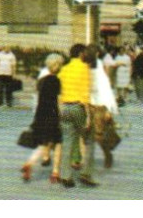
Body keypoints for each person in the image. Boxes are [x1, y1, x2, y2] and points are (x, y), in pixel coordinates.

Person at [56, 43, 98, 188]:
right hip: (78, 107)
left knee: (67, 141)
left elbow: (59, 90)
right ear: (81, 53)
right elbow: (85, 92)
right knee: (89, 140)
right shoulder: (84, 68)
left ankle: (65, 176)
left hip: (64, 107)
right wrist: (88, 115)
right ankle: (86, 173)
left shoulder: (64, 69)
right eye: (85, 52)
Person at [20, 53, 64, 182]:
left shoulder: (41, 81)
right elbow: (58, 100)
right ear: (57, 66)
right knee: (58, 143)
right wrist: (61, 116)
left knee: (44, 143)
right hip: (52, 115)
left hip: (41, 114)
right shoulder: (56, 81)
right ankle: (55, 173)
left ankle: (29, 163)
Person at [90, 45, 120, 169]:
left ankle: (107, 154)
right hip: (87, 104)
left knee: (99, 135)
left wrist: (109, 109)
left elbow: (106, 89)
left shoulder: (99, 68)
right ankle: (86, 160)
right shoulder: (85, 66)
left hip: (99, 106)